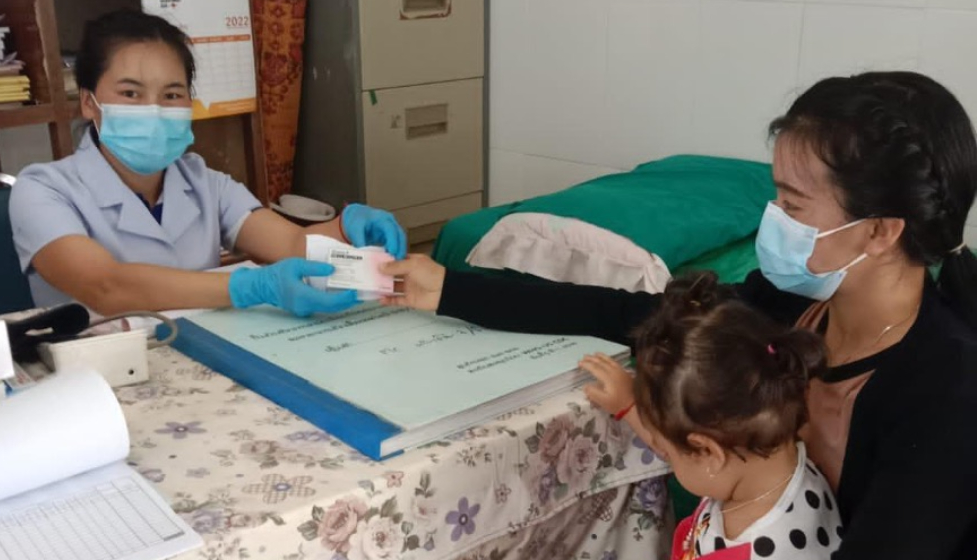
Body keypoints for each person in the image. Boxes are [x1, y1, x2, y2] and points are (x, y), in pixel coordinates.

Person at [381, 71, 977, 559]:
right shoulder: (795, 304)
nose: (774, 219)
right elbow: (629, 312)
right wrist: (449, 289)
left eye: (792, 204)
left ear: (878, 231)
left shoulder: (947, 394)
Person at [9, 9, 405, 317]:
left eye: (172, 94)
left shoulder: (203, 182)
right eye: (131, 93)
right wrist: (249, 287)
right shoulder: (43, 190)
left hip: (204, 354)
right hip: (96, 378)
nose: (154, 109)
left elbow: (289, 243)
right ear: (88, 102)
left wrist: (347, 228)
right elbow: (106, 287)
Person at [581, 272, 840, 559]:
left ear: (708, 451)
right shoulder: (773, 458)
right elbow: (686, 450)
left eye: (666, 449)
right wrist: (629, 405)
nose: (664, 452)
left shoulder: (756, 549)